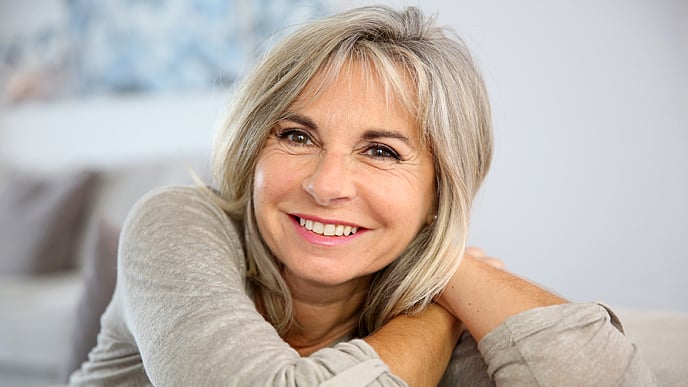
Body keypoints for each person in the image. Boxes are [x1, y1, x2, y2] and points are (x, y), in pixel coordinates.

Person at [69, 5, 655, 386]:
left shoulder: (431, 290)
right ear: (253, 149)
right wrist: (431, 320)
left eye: (381, 151)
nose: (325, 185)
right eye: (297, 136)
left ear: (437, 192)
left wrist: (448, 269)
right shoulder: (177, 221)